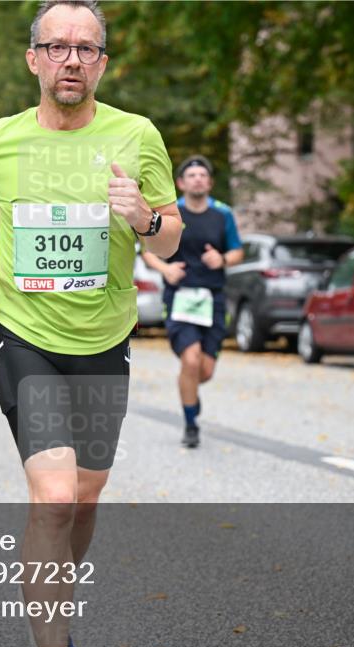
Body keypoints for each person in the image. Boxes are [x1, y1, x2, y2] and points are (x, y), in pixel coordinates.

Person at [0, 2, 181, 647]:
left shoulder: (137, 135)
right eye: (57, 47)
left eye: (86, 49)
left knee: (85, 495)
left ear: (103, 63)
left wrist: (143, 216)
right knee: (54, 496)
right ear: (33, 59)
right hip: (24, 331)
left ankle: (57, 594)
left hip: (104, 338)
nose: (72, 59)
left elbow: (171, 235)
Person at [142, 155, 243, 447]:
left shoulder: (223, 214)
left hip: (213, 298)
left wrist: (221, 258)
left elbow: (237, 252)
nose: (198, 179)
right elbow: (148, 250)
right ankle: (190, 424)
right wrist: (166, 269)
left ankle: (189, 394)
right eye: (192, 175)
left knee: (205, 371)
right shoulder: (171, 213)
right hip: (180, 296)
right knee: (190, 359)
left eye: (203, 175)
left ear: (209, 182)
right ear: (181, 183)